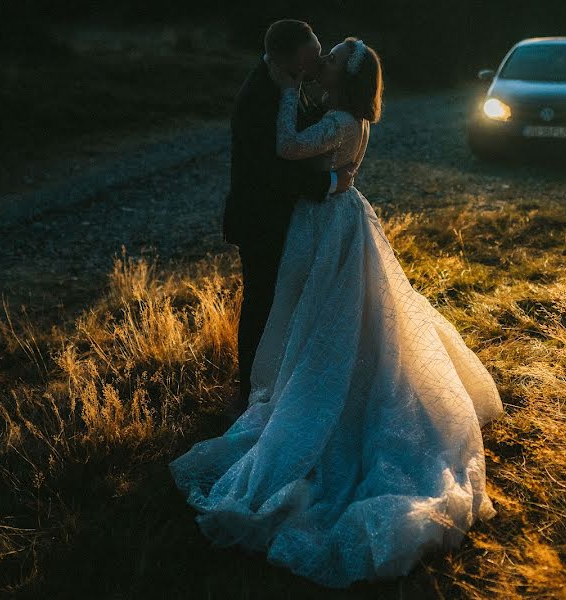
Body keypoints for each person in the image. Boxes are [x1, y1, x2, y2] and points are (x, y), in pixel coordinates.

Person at [170, 35, 505, 588]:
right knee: (320, 313)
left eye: (328, 59)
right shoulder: (343, 113)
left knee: (328, 315)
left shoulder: (341, 120)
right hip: (329, 218)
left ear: (342, 76)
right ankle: (298, 379)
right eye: (316, 56)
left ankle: (323, 391)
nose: (318, 63)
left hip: (327, 225)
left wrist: (286, 91)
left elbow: (284, 145)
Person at [221, 19, 356, 408]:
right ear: (287, 60)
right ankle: (250, 392)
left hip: (286, 217)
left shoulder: (288, 84)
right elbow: (271, 171)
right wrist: (330, 183)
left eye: (319, 54)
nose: (318, 63)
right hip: (260, 219)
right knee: (262, 302)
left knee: (285, 303)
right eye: (312, 57)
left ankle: (277, 383)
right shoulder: (260, 97)